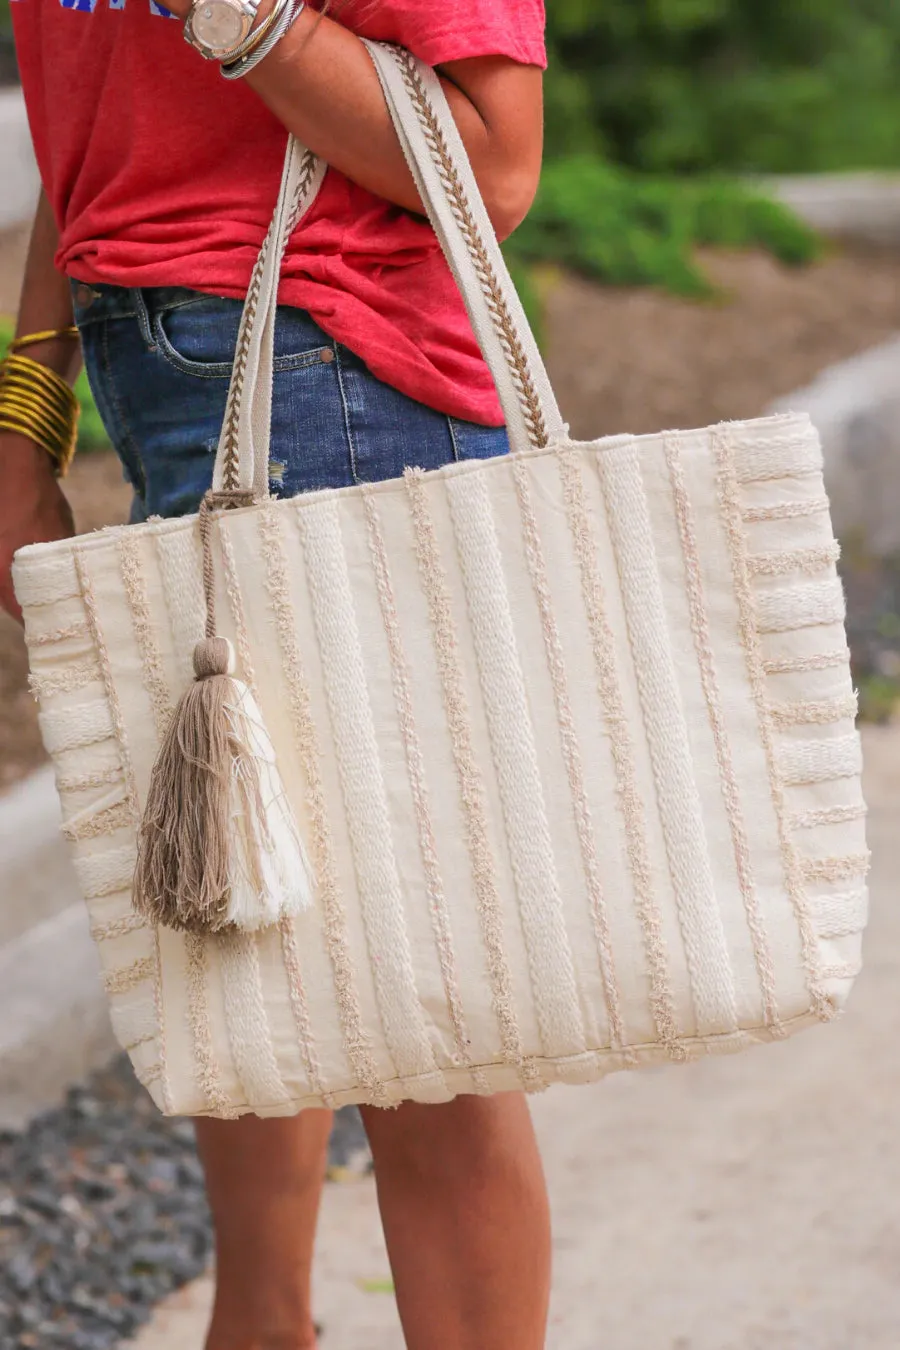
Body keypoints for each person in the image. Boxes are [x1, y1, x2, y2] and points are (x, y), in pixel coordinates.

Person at [0, 1, 552, 1347]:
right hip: (174, 373)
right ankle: (258, 1328)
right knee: (233, 932)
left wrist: (235, 15)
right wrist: (26, 418)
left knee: (423, 1030)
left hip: (336, 374)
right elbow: (110, 148)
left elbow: (495, 165)